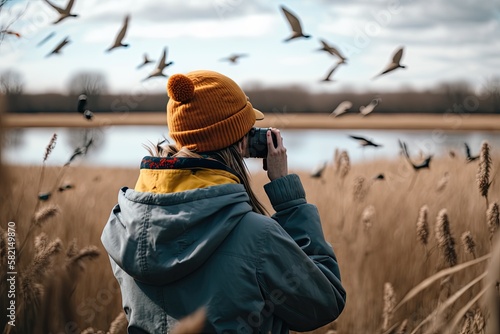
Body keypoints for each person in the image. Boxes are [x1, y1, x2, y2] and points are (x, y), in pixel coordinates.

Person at [101, 70, 346, 333]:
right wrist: (291, 203)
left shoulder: (123, 225)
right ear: (242, 143)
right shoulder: (257, 236)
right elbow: (325, 304)